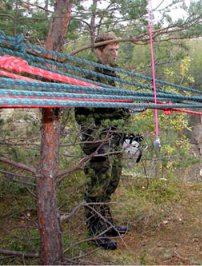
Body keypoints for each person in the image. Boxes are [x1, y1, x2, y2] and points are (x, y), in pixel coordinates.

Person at [75, 32, 130, 250]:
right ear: (98, 51)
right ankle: (95, 231)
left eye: (117, 49)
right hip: (98, 138)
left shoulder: (111, 73)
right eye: (111, 50)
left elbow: (111, 104)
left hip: (113, 135)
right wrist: (94, 142)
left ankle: (106, 223)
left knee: (112, 180)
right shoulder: (89, 74)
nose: (115, 54)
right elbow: (83, 112)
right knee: (97, 183)